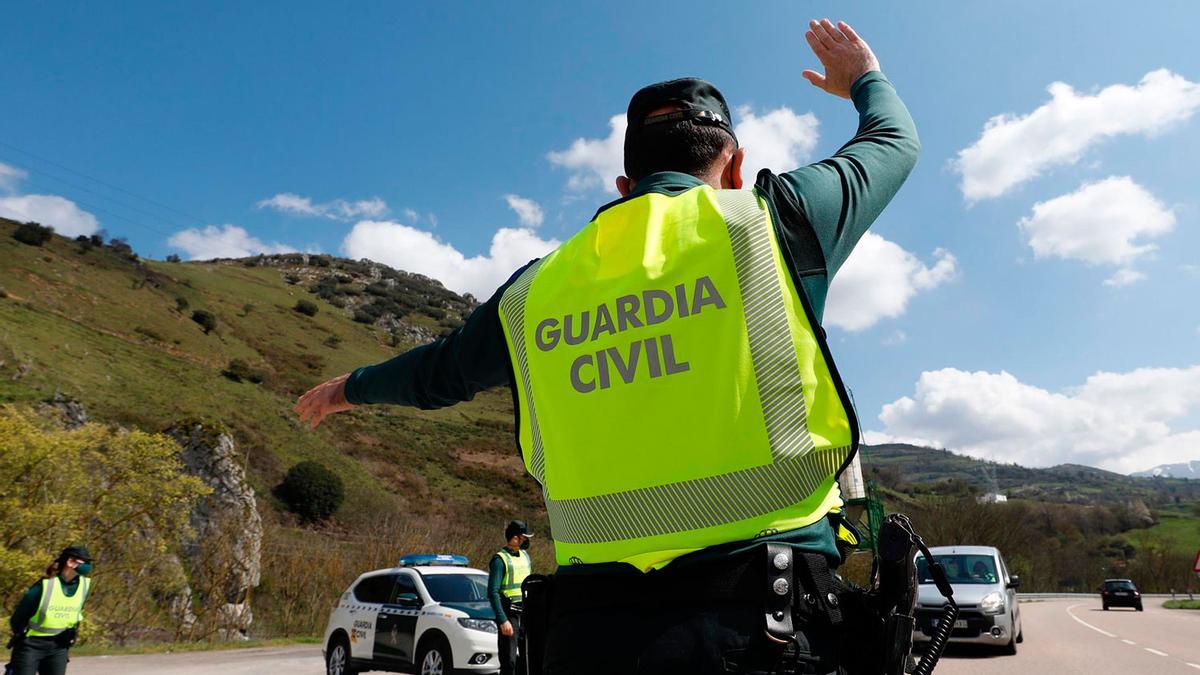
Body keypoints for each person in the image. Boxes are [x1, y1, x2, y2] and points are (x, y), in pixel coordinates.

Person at [296, 18, 918, 674]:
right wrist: (864, 78)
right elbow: (894, 142)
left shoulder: (534, 291)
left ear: (623, 187)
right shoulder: (772, 220)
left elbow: (437, 372)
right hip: (765, 629)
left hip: (585, 637)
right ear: (734, 166)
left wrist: (347, 388)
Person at [7, 547, 94, 675]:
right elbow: (19, 616)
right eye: (84, 562)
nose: (88, 566)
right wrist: (21, 634)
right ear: (70, 562)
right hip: (31, 645)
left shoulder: (84, 586)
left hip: (59, 646)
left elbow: (77, 613)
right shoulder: (45, 585)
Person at [488, 520, 533, 675]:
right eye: (524, 537)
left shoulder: (525, 556)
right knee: (510, 661)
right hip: (509, 615)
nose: (526, 540)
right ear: (514, 537)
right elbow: (492, 592)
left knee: (526, 661)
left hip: (525, 614)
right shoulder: (499, 560)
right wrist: (502, 620)